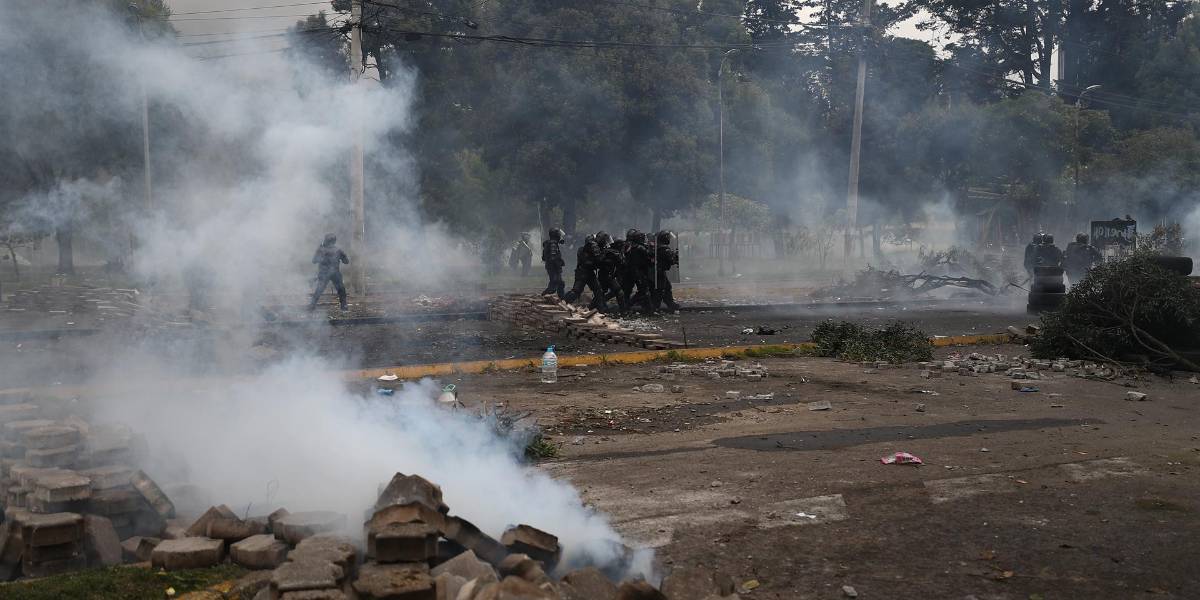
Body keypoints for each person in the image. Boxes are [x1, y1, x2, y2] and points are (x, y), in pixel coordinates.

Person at [309, 233, 350, 311]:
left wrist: (320, 250)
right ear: (334, 241)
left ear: (325, 240)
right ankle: (344, 306)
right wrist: (343, 256)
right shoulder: (338, 250)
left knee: (319, 290)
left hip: (324, 273)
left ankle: (312, 306)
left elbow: (314, 261)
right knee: (341, 290)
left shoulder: (320, 250)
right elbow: (346, 261)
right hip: (335, 273)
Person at [563, 234, 604, 309]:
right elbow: (593, 261)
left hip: (589, 273)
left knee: (598, 290)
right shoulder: (583, 250)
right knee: (576, 291)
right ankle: (563, 303)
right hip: (583, 273)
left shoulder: (582, 249)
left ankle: (600, 309)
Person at [624, 229, 655, 313]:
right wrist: (652, 247)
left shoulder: (632, 246)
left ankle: (649, 309)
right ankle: (628, 305)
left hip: (634, 271)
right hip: (639, 272)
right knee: (643, 291)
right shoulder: (639, 247)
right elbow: (649, 255)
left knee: (643, 290)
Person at [595, 231, 626, 313]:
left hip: (607, 275)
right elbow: (622, 262)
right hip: (606, 276)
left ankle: (594, 307)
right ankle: (623, 312)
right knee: (619, 293)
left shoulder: (610, 251)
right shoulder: (611, 252)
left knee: (601, 293)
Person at [651, 230, 681, 312]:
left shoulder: (659, 247)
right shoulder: (664, 248)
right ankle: (654, 307)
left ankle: (670, 304)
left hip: (659, 271)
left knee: (667, 287)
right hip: (659, 272)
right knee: (660, 290)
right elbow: (671, 260)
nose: (669, 240)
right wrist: (676, 256)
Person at [541, 228, 566, 297]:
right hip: (553, 267)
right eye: (559, 234)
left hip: (551, 267)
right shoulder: (553, 244)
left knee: (560, 284)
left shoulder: (550, 243)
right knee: (554, 285)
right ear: (556, 235)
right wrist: (559, 263)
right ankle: (544, 296)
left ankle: (563, 298)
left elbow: (544, 257)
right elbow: (553, 258)